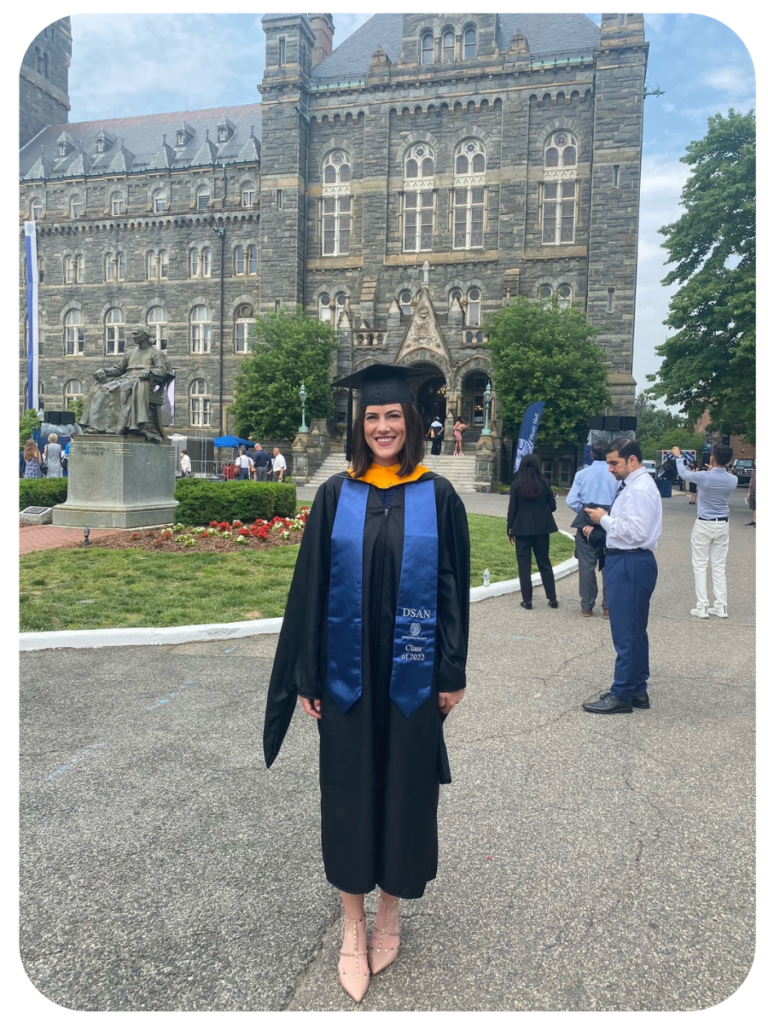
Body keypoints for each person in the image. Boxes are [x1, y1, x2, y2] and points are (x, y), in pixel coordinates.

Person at [263, 364, 470, 1004]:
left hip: (409, 682)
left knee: (405, 792)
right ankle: (353, 924)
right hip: (347, 680)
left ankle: (389, 916)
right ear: (360, 424)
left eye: (393, 417)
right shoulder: (335, 496)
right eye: (372, 417)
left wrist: (450, 670)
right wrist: (309, 674)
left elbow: (451, 591)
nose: (382, 427)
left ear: (411, 424)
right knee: (349, 793)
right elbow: (311, 592)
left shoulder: (439, 497)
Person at [581, 438, 662, 714]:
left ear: (632, 460)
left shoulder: (639, 489)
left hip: (630, 562)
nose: (611, 469)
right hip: (630, 561)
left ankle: (622, 694)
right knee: (635, 629)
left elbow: (636, 532)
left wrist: (603, 519)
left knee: (626, 630)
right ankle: (637, 689)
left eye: (614, 463)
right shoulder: (636, 486)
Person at [673, 443, 737, 618]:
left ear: (713, 458)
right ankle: (721, 605)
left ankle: (702, 606)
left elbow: (684, 473)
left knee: (700, 565)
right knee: (719, 566)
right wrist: (712, 471)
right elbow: (718, 479)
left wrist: (679, 456)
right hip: (722, 523)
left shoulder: (703, 477)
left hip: (704, 523)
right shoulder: (733, 480)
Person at [80, 325, 174, 441]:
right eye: (132, 334)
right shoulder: (130, 353)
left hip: (141, 380)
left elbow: (162, 370)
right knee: (102, 389)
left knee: (122, 389)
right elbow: (118, 369)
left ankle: (120, 427)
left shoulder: (156, 353)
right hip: (126, 378)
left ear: (144, 335)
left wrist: (149, 371)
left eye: (136, 334)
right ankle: (97, 426)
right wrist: (104, 370)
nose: (133, 336)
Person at [566, 442, 619, 617]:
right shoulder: (616, 475)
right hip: (608, 518)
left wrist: (585, 513)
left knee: (586, 565)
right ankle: (609, 607)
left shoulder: (582, 474)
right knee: (609, 564)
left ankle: (587, 606)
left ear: (591, 455)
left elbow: (571, 500)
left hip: (587, 518)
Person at [507, 453, 559, 610]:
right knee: (544, 561)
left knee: (524, 564)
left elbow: (512, 510)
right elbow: (553, 507)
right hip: (542, 527)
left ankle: (527, 600)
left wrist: (510, 530)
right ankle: (552, 598)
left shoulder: (516, 485)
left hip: (522, 528)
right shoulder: (545, 483)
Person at [746, 459, 756, 526]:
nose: (755, 463)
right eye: (755, 461)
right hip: (753, 491)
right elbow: (751, 481)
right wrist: (749, 492)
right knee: (753, 507)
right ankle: (754, 520)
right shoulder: (753, 472)